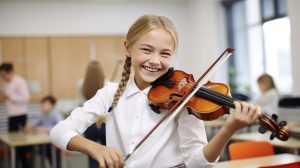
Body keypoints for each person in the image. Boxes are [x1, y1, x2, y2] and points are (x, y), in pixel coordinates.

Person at [50, 14, 261, 168]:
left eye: (165, 53)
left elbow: (199, 163)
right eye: (146, 50)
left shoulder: (185, 100)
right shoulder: (109, 93)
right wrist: (96, 148)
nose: (155, 61)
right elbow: (58, 131)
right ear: (127, 48)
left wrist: (228, 130)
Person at [0, 62, 32, 168]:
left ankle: (26, 165)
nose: (2, 77)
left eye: (4, 74)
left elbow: (26, 98)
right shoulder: (5, 83)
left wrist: (9, 97)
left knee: (23, 143)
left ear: (10, 72)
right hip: (11, 116)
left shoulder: (20, 81)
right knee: (13, 142)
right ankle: (16, 164)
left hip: (20, 115)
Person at [24, 95, 63, 168]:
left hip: (55, 143)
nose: (42, 106)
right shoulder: (44, 114)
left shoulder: (55, 113)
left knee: (52, 156)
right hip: (47, 141)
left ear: (51, 105)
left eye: (44, 104)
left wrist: (46, 129)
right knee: (32, 149)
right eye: (42, 104)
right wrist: (30, 125)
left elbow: (61, 126)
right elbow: (37, 122)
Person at [81, 61, 106, 168]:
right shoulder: (106, 85)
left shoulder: (82, 86)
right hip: (103, 122)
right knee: (106, 153)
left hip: (89, 123)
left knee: (92, 155)